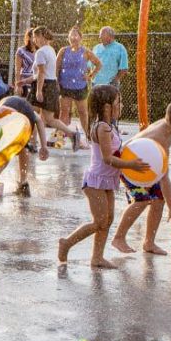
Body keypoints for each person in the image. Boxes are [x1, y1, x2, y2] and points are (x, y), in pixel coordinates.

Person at [57, 85, 148, 269]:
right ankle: (66, 243)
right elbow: (108, 158)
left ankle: (97, 257)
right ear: (107, 107)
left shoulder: (110, 127)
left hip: (107, 181)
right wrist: (131, 165)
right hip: (96, 181)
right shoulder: (102, 128)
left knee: (108, 219)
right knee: (99, 221)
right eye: (118, 102)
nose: (121, 106)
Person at [111, 99, 171, 255]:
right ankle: (118, 237)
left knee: (158, 199)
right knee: (142, 200)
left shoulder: (165, 125)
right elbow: (164, 178)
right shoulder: (161, 139)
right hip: (130, 167)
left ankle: (149, 242)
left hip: (144, 165)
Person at [29, 28, 84, 148]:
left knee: (30, 113)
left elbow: (42, 73)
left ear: (42, 37)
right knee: (49, 119)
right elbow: (48, 72)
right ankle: (72, 134)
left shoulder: (40, 52)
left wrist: (38, 91)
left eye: (35, 37)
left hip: (43, 86)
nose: (34, 40)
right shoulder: (51, 50)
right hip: (51, 85)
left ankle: (33, 142)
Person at [0, 94, 50, 196]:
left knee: (20, 149)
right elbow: (39, 120)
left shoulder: (28, 117)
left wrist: (44, 146)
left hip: (18, 110)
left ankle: (22, 183)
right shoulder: (1, 115)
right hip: (7, 111)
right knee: (6, 155)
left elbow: (39, 121)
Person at [57, 26, 100, 140]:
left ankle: (87, 136)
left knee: (83, 112)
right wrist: (56, 82)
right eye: (71, 35)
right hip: (65, 86)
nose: (73, 37)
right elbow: (56, 68)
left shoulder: (86, 52)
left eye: (76, 35)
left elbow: (98, 64)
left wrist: (90, 76)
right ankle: (60, 137)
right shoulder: (63, 51)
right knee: (64, 112)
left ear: (80, 38)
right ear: (68, 38)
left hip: (80, 86)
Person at [14, 30, 36, 98]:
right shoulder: (21, 51)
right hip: (24, 82)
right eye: (34, 36)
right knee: (24, 105)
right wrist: (18, 86)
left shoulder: (40, 51)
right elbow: (17, 70)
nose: (36, 38)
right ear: (29, 37)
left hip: (36, 82)